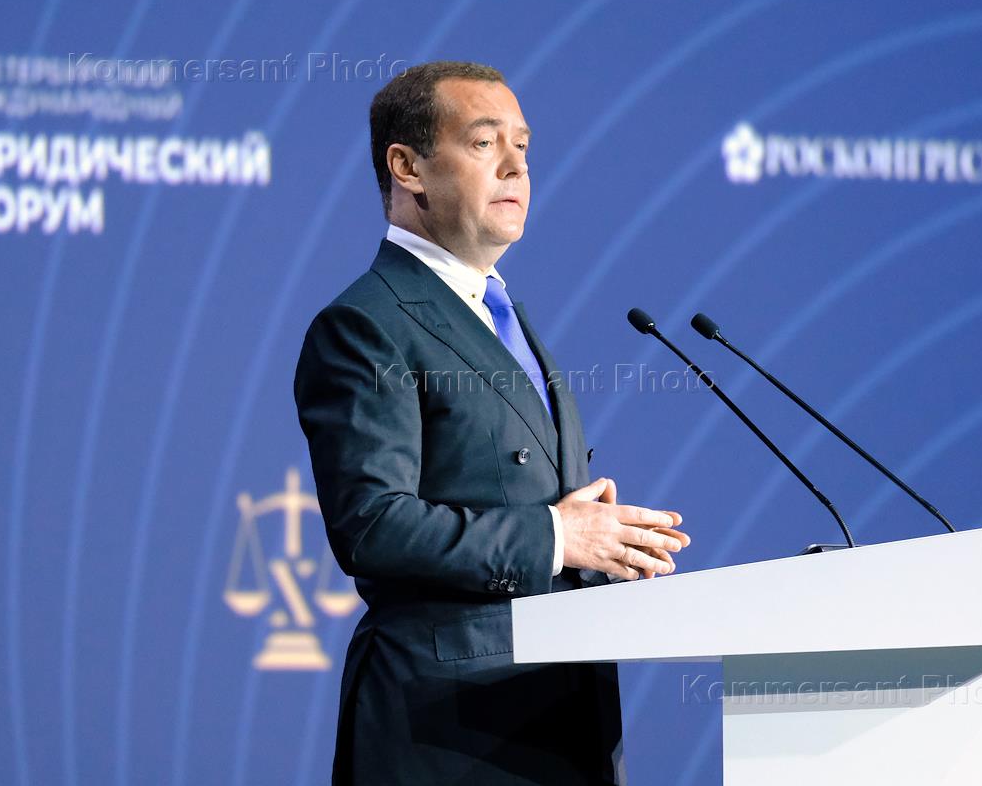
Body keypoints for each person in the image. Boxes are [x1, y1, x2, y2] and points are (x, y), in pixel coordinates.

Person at [294, 60, 690, 785]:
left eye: (523, 145)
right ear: (407, 167)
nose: (516, 166)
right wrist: (558, 536)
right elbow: (373, 525)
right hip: (449, 729)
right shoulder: (365, 325)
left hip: (562, 713)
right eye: (484, 143)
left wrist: (602, 547)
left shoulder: (501, 313)